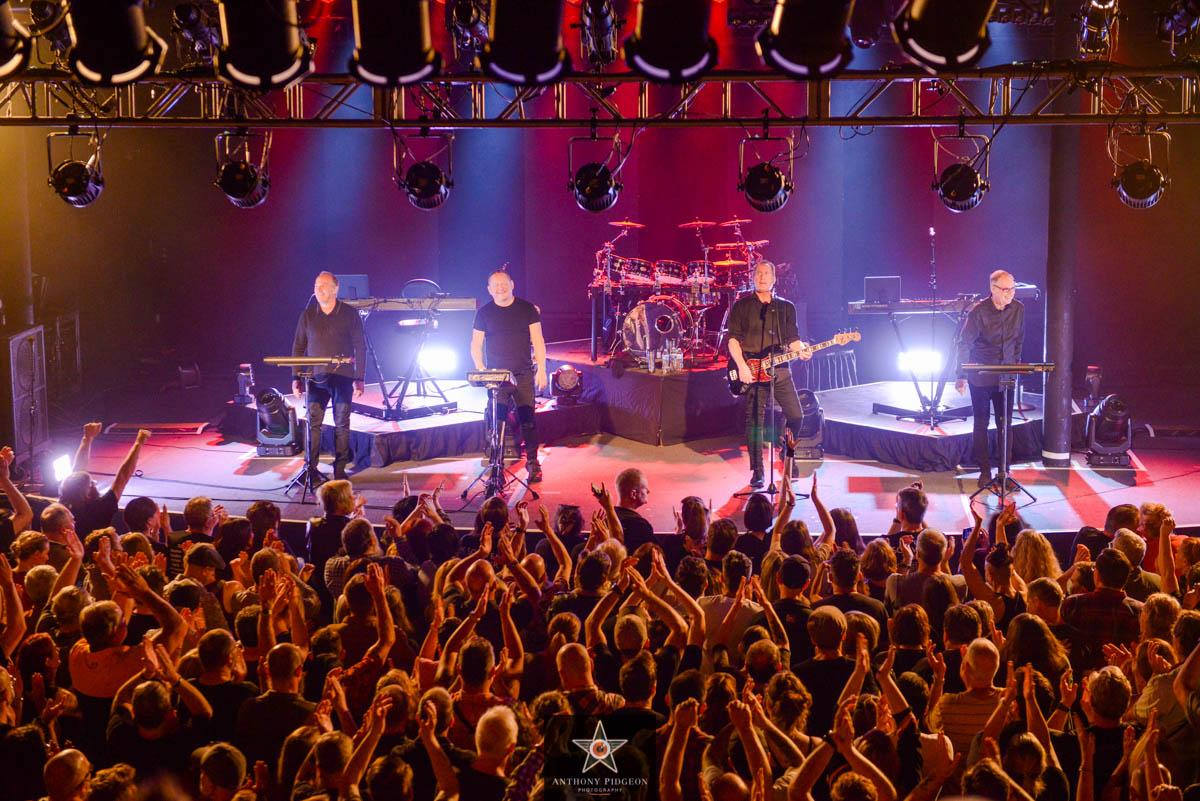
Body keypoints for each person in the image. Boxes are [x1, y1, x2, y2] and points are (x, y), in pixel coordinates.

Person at [726, 260, 812, 488]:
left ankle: (787, 453)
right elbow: (733, 340)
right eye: (758, 273)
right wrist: (742, 366)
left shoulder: (786, 307)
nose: (762, 277)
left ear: (774, 279)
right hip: (752, 370)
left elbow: (793, 340)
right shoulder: (742, 306)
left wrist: (801, 350)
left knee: (796, 415)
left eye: (767, 274)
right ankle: (757, 471)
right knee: (755, 423)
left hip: (780, 369)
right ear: (753, 277)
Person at [470, 269, 548, 483]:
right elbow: (476, 344)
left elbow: (538, 340)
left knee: (528, 421)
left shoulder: (527, 309)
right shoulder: (484, 313)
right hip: (497, 378)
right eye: (495, 285)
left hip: (523, 374)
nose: (500, 288)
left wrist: (542, 369)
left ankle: (533, 462)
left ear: (512, 284)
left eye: (504, 283)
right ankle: (497, 467)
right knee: (497, 423)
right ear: (489, 289)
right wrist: (481, 369)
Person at [292, 271, 366, 483]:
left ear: (335, 289)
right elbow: (298, 345)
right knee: (313, 423)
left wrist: (359, 378)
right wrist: (295, 377)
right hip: (315, 378)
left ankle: (339, 469)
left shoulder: (349, 314)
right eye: (316, 285)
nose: (318, 289)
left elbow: (360, 347)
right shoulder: (308, 315)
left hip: (342, 377)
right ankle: (311, 468)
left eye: (323, 285)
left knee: (341, 423)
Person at [955, 269, 1025, 488]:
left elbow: (1018, 341)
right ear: (993, 289)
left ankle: (1004, 472)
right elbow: (964, 344)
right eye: (1005, 289)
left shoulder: (1018, 309)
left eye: (1013, 289)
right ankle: (985, 472)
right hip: (982, 377)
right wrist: (961, 376)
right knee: (982, 423)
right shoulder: (978, 312)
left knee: (1006, 424)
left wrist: (1016, 366)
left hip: (1006, 375)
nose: (1010, 293)